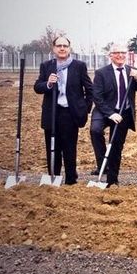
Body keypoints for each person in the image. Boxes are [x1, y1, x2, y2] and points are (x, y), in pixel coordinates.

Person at [33, 36, 93, 185]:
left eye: (65, 46)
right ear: (53, 48)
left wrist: (84, 109)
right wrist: (48, 83)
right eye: (59, 46)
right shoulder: (47, 66)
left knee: (69, 147)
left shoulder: (79, 66)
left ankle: (71, 179)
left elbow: (90, 90)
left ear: (69, 48)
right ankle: (54, 177)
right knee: (52, 146)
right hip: (52, 112)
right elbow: (37, 87)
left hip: (70, 113)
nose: (62, 48)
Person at [90, 43, 137, 187]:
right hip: (104, 111)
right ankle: (103, 163)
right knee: (95, 130)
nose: (120, 55)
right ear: (110, 56)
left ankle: (112, 180)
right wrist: (110, 114)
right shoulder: (101, 73)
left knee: (116, 145)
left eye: (123, 52)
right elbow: (97, 97)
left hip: (124, 113)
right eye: (116, 53)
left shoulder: (132, 71)